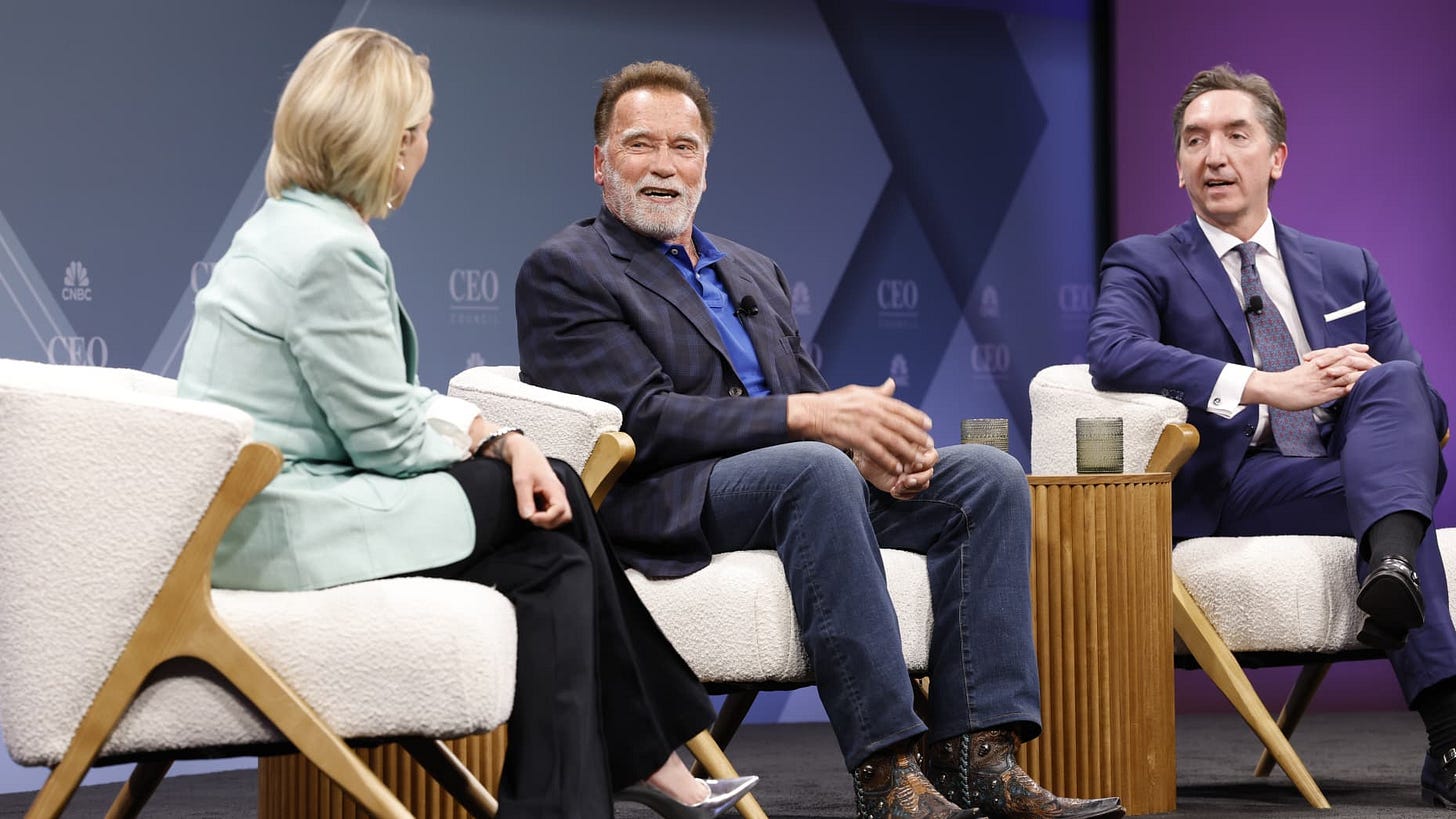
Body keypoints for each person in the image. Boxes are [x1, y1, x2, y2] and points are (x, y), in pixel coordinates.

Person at [515, 60, 1124, 819]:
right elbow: (644, 418)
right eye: (640, 145)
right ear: (601, 163)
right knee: (811, 466)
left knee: (985, 477)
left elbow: (804, 395)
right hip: (672, 496)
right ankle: (887, 768)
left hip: (799, 484)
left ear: (707, 162)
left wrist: (868, 451)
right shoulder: (568, 269)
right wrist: (816, 424)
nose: (664, 165)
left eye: (684, 146)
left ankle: (976, 755)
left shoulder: (751, 268)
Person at [175, 29, 756, 819]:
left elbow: (378, 397)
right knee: (552, 498)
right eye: (421, 132)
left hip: (269, 507)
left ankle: (617, 776)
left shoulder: (286, 225)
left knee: (551, 563)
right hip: (284, 523)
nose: (424, 150)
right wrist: (504, 447)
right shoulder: (332, 251)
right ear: (392, 142)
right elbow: (382, 438)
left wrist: (495, 435)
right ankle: (652, 755)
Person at [1087, 64, 1456, 808]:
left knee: (1391, 382)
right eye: (1195, 140)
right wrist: (1263, 385)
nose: (1213, 154)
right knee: (1398, 501)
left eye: (1235, 135)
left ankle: (1389, 563)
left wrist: (1359, 375)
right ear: (1179, 164)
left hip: (1338, 469)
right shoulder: (1147, 260)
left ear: (1277, 157)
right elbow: (1112, 351)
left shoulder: (1345, 265)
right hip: (1233, 485)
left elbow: (1428, 412)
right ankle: (1449, 727)